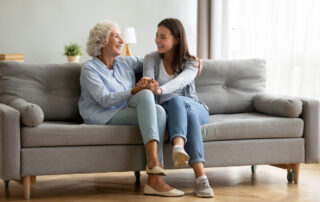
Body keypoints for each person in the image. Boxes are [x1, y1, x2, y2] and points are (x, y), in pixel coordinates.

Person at [78, 20, 184, 197]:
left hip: (125, 109)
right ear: (102, 42)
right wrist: (135, 90)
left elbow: (154, 59)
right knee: (143, 94)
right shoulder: (89, 69)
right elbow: (104, 99)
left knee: (158, 110)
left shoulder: (125, 62)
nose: (121, 40)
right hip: (102, 114)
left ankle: (153, 177)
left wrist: (187, 58)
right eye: (116, 36)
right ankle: (154, 168)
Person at [141, 18, 214, 198]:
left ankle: (178, 145)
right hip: (173, 112)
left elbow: (181, 82)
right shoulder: (151, 58)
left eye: (163, 37)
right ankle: (201, 179)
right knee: (184, 112)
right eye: (156, 36)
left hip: (195, 106)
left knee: (178, 101)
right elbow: (149, 80)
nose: (157, 40)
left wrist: (160, 89)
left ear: (177, 39)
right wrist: (151, 86)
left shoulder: (192, 62)